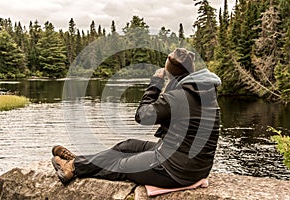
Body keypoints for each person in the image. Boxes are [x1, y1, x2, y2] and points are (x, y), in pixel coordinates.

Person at [51, 48, 221, 188]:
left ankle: (73, 167)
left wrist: (155, 83)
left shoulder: (179, 96)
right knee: (127, 145)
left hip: (176, 170)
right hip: (190, 163)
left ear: (171, 74)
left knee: (121, 163)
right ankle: (79, 163)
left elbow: (142, 116)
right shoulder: (201, 91)